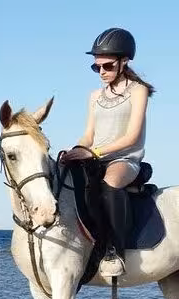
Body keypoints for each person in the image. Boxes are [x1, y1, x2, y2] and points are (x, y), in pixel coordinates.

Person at [61, 28, 154, 277]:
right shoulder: (94, 96)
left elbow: (131, 136)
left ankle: (115, 251)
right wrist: (76, 150)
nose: (102, 72)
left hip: (125, 158)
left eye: (107, 66)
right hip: (95, 156)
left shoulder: (138, 90)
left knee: (111, 182)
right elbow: (88, 135)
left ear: (124, 61)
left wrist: (94, 153)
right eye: (96, 67)